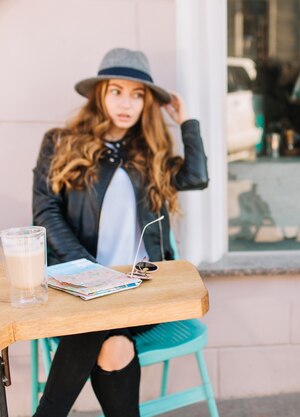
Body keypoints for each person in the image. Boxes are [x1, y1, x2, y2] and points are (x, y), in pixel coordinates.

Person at [31, 47, 208, 417]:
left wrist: (186, 121)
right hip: (79, 284)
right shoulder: (60, 143)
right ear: (101, 94)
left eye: (137, 94)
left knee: (100, 321)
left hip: (140, 286)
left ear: (147, 103)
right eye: (116, 91)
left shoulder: (151, 154)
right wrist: (89, 272)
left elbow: (196, 177)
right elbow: (45, 210)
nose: (126, 102)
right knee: (114, 349)